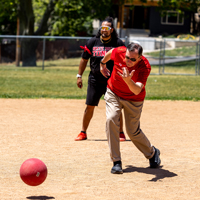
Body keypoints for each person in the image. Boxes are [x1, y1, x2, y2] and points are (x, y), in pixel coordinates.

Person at [100, 42, 161, 174]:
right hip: (113, 92)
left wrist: (128, 81)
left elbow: (137, 90)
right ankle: (116, 161)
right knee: (111, 119)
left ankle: (152, 153)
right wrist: (102, 64)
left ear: (140, 58)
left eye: (133, 59)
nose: (129, 61)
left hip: (133, 99)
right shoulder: (120, 52)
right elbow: (110, 54)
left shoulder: (145, 66)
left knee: (132, 131)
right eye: (127, 57)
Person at [75, 17, 126, 141]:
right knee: (89, 106)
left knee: (116, 107)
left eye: (107, 28)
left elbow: (124, 61)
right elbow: (84, 59)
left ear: (112, 30)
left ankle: (120, 133)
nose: (104, 30)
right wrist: (79, 76)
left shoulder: (118, 43)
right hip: (95, 79)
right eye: (102, 28)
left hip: (112, 80)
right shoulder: (93, 42)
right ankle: (83, 132)